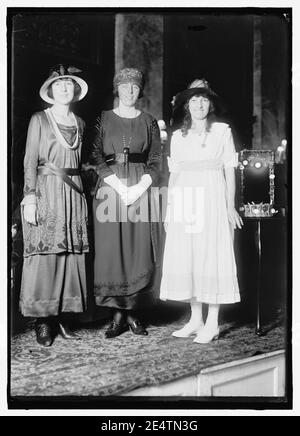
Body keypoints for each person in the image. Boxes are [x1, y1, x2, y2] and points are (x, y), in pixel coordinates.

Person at [160, 83, 243, 344]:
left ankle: (212, 322)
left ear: (210, 105)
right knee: (190, 254)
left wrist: (230, 206)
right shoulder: (177, 137)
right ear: (187, 105)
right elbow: (175, 175)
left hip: (212, 197)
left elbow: (230, 170)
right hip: (186, 197)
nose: (199, 105)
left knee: (211, 254)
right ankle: (195, 319)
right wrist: (169, 209)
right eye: (194, 101)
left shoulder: (222, 132)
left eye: (204, 101)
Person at [20, 64, 89, 346]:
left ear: (75, 90)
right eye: (58, 84)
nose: (64, 88)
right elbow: (29, 162)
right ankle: (43, 321)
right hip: (47, 190)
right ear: (50, 90)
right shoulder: (39, 119)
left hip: (74, 192)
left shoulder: (81, 123)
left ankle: (63, 316)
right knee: (46, 253)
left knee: (71, 253)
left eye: (69, 84)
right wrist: (30, 196)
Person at [89, 67, 161, 338]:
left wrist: (141, 185)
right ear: (116, 89)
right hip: (110, 188)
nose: (129, 91)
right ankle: (116, 315)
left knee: (136, 250)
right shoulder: (103, 118)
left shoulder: (149, 121)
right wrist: (118, 184)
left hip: (139, 187)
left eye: (134, 87)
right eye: (124, 86)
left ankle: (133, 314)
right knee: (111, 252)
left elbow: (155, 160)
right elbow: (95, 155)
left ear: (139, 91)